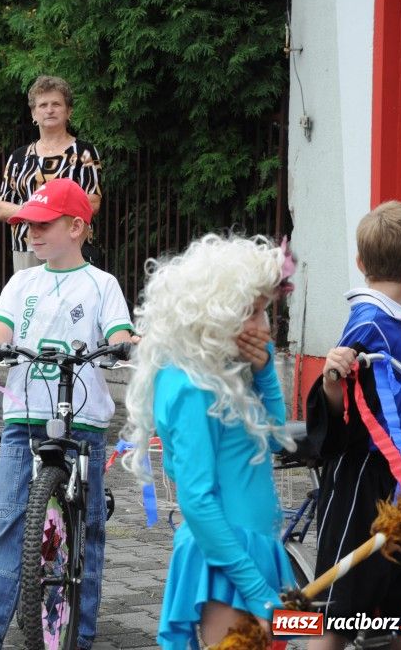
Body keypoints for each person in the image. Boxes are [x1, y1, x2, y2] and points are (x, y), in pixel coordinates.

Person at [0, 178, 133, 650]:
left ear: (76, 226)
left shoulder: (101, 284)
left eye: (43, 224)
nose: (31, 232)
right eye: (27, 224)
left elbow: (119, 334)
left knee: (86, 531)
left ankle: (78, 634)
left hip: (83, 421)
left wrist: (130, 344)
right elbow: (1, 327)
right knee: (5, 522)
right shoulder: (22, 280)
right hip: (24, 416)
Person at [121, 234, 296, 649]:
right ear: (216, 314)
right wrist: (255, 590)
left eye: (264, 312)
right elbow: (197, 500)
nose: (263, 327)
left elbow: (275, 440)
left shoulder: (226, 371)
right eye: (251, 313)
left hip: (251, 549)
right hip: (226, 562)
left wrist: (265, 371)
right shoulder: (192, 387)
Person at [306, 200, 401, 650]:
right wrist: (331, 378)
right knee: (337, 616)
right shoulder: (368, 324)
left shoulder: (399, 328)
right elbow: (343, 404)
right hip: (364, 483)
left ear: (360, 263)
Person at [0, 75, 102, 273]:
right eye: (43, 105)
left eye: (56, 104)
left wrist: (47, 211)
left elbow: (93, 202)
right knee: (31, 302)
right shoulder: (19, 157)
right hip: (27, 247)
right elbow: (1, 208)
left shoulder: (84, 153)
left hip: (70, 246)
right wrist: (32, 210)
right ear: (33, 114)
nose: (50, 110)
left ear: (69, 111)